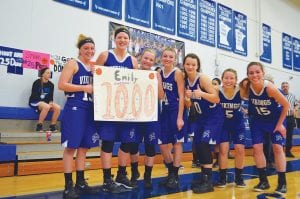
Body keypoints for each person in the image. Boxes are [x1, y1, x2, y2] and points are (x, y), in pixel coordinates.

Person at [95, 26, 139, 193]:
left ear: (129, 41)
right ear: (114, 39)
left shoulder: (133, 61)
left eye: (125, 38)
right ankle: (107, 179)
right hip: (108, 108)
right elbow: (95, 77)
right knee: (108, 143)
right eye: (119, 37)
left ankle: (121, 174)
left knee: (127, 142)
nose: (122, 40)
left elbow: (137, 85)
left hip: (126, 108)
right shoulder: (105, 55)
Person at [58, 34, 99, 199]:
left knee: (84, 148)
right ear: (80, 50)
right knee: (71, 148)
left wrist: (97, 76)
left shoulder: (95, 67)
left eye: (92, 48)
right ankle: (68, 186)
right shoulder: (73, 63)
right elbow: (62, 84)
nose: (89, 51)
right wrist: (84, 88)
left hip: (90, 109)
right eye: (86, 48)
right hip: (75, 108)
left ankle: (80, 182)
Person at [240, 62, 289, 195]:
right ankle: (263, 181)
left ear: (263, 72)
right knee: (257, 148)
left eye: (257, 72)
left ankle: (282, 182)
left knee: (277, 148)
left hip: (275, 119)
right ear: (247, 75)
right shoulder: (246, 87)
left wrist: (280, 125)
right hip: (258, 120)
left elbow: (286, 105)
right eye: (251, 73)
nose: (254, 75)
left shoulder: (270, 88)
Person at [183, 53, 222, 194]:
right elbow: (189, 104)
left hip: (213, 117)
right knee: (198, 145)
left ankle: (208, 182)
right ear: (184, 65)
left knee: (204, 144)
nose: (190, 66)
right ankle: (204, 177)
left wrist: (201, 94)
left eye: (193, 64)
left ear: (197, 65)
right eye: (188, 64)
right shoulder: (185, 80)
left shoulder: (203, 78)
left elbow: (216, 99)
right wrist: (188, 98)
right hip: (200, 117)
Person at [129, 49, 164, 188]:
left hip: (151, 115)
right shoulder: (133, 73)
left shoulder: (156, 74)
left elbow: (161, 96)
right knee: (133, 146)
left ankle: (148, 176)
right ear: (140, 58)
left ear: (154, 61)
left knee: (150, 146)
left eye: (151, 59)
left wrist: (156, 81)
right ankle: (134, 172)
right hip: (135, 115)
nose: (148, 61)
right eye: (146, 58)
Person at [159, 47, 185, 189]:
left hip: (176, 111)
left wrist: (180, 117)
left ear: (174, 59)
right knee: (162, 143)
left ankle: (175, 176)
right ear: (161, 58)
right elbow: (160, 94)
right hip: (165, 111)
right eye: (165, 56)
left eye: (170, 57)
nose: (167, 59)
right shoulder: (159, 73)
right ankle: (170, 172)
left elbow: (181, 97)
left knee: (177, 143)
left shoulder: (177, 73)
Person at [215, 68, 246, 188]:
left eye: (231, 78)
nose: (228, 80)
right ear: (222, 79)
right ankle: (222, 178)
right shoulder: (217, 89)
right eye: (226, 78)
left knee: (240, 149)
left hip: (237, 124)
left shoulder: (241, 90)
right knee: (223, 150)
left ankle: (239, 178)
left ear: (236, 80)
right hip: (223, 125)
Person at [29, 68, 61, 132]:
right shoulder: (37, 82)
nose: (49, 74)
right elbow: (34, 95)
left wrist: (51, 102)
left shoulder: (51, 85)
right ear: (42, 74)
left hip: (45, 103)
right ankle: (39, 126)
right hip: (35, 101)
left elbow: (51, 96)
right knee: (46, 106)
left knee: (57, 107)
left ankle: (52, 126)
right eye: (47, 73)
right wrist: (42, 102)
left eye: (50, 73)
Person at [281, 81, 297, 158]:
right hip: (281, 118)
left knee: (289, 135)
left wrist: (295, 109)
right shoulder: (279, 95)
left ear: (288, 87)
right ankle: (280, 151)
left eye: (286, 86)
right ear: (281, 87)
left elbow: (296, 104)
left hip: (290, 118)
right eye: (283, 86)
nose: (285, 87)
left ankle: (288, 152)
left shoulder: (293, 96)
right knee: (280, 135)